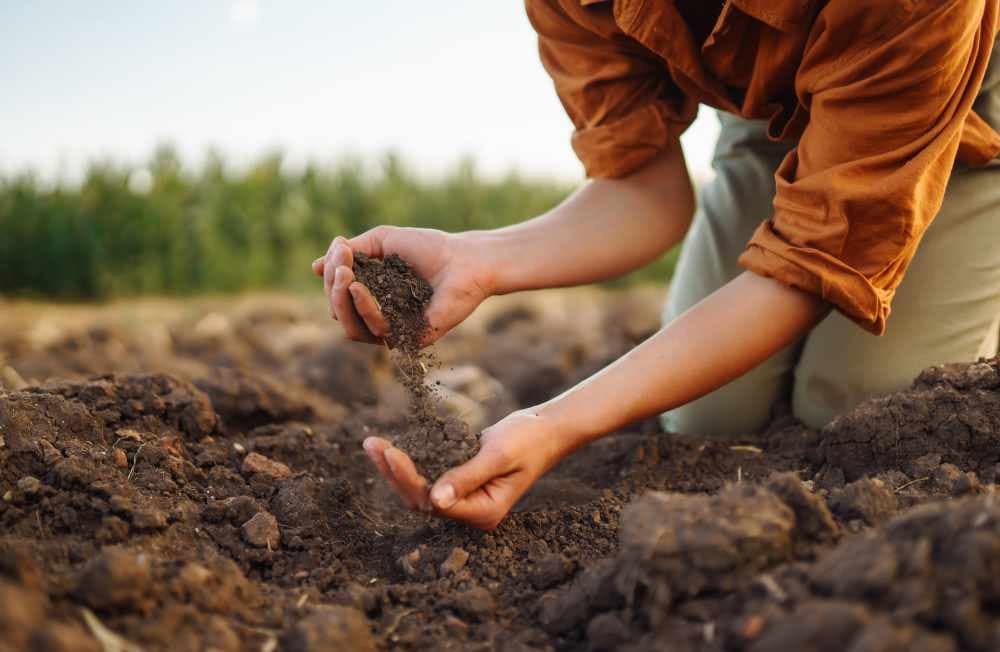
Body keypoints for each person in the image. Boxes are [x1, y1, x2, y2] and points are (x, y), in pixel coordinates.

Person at [313, 0, 1000, 530]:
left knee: (862, 403)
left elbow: (818, 260)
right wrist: (479, 258)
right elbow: (643, 190)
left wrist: (557, 423)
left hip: (955, 105)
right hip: (770, 116)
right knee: (708, 416)